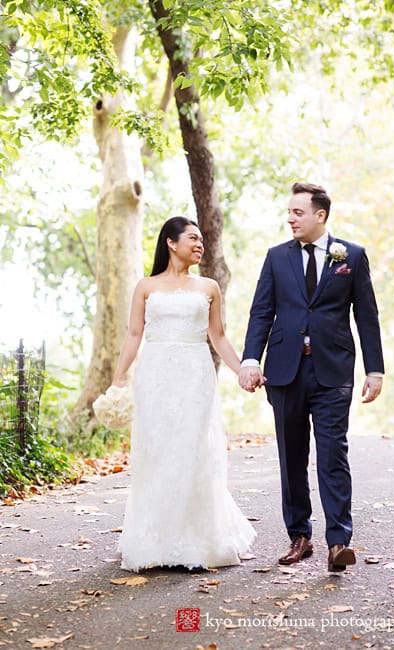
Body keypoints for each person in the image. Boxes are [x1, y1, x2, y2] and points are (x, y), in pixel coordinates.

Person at [239, 182, 384, 572]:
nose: (290, 218)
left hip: (333, 371)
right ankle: (299, 536)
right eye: (288, 212)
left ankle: (338, 541)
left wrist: (374, 369)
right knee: (291, 456)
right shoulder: (275, 257)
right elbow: (260, 312)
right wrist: (250, 358)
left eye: (297, 212)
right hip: (285, 370)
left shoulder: (351, 255)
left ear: (320, 215)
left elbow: (366, 315)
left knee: (333, 453)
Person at [112, 216, 255, 571]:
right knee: (157, 451)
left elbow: (218, 337)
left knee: (194, 450)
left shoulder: (208, 287)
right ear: (171, 243)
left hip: (194, 374)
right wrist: (118, 378)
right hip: (155, 374)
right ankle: (154, 541)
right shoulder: (145, 286)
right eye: (193, 238)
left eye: (202, 239)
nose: (200, 243)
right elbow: (134, 335)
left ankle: (197, 540)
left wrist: (243, 370)